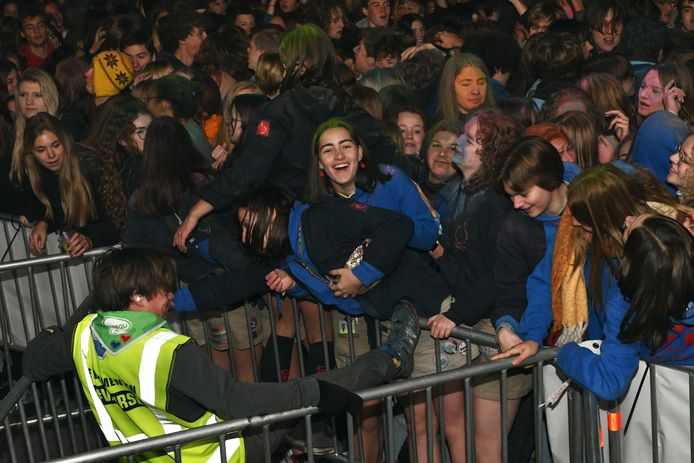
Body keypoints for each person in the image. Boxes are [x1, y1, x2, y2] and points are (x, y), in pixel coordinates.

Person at [21, 247, 421, 461]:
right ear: (138, 298)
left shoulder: (85, 335)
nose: (170, 298)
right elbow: (235, 401)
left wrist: (56, 330)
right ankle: (392, 358)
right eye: (162, 290)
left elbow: (35, 361)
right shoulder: (168, 349)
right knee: (313, 391)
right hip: (226, 454)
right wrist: (311, 395)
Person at [171, 24, 404, 313]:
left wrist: (197, 211)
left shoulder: (282, 110)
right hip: (337, 223)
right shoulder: (347, 108)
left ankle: (169, 304)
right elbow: (389, 158)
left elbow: (247, 172)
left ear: (295, 62)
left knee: (250, 275)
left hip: (291, 225)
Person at [492, 164, 687, 400]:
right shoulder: (576, 236)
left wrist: (564, 353)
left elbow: (612, 376)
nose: (571, 222)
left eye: (579, 216)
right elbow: (546, 281)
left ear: (602, 217)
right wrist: (533, 336)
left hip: (650, 384)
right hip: (612, 359)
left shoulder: (652, 255)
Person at [20, 113, 119, 256]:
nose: (51, 155)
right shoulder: (37, 172)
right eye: (41, 150)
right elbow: (61, 212)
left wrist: (90, 239)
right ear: (31, 153)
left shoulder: (91, 166)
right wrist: (44, 223)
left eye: (56, 145)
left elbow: (118, 220)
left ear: (65, 141)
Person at [83, 95, 151, 237]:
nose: (151, 137)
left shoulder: (151, 161)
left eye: (152, 128)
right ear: (122, 139)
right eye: (141, 131)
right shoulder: (106, 169)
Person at [436, 53, 494, 121]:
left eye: (481, 83)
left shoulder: (501, 122)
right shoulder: (442, 128)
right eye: (466, 84)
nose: (476, 91)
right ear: (450, 87)